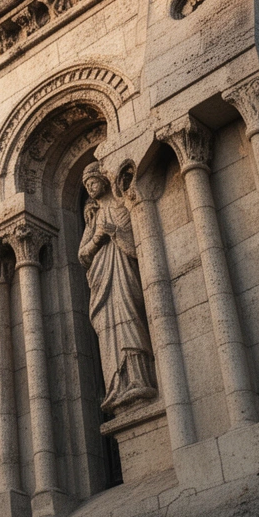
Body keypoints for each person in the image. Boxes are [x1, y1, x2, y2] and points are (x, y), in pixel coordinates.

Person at [78, 161, 157, 411]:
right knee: (107, 328)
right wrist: (98, 237)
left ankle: (140, 379)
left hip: (124, 275)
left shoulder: (122, 207)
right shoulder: (93, 219)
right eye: (86, 186)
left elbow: (137, 244)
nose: (90, 188)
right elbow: (82, 255)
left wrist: (114, 233)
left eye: (93, 182)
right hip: (102, 282)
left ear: (103, 180)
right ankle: (117, 385)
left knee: (130, 321)